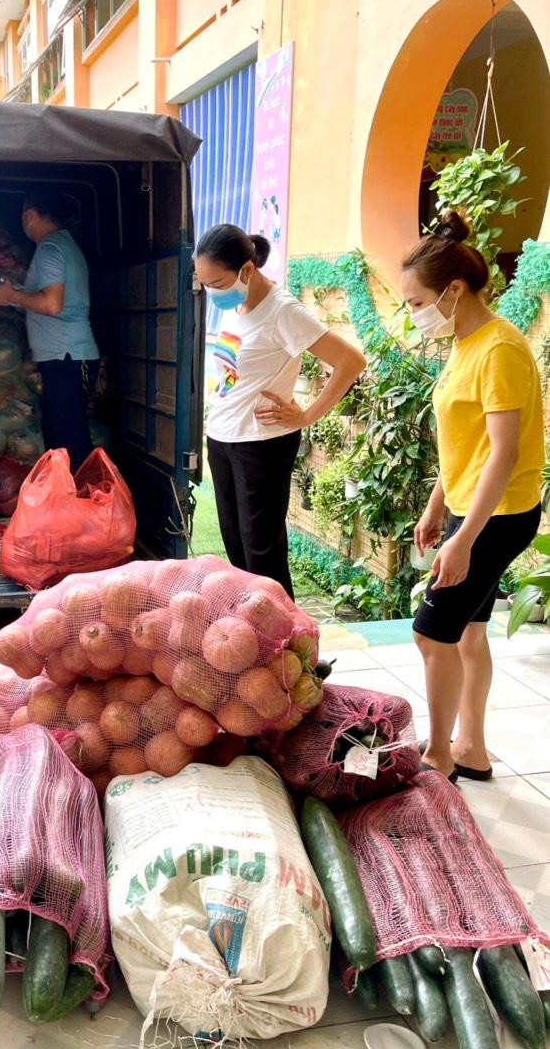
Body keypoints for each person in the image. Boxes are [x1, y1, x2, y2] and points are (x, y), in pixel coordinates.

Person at [406, 212, 543, 782]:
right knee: (468, 632)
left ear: (454, 291)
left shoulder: (500, 351)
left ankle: (439, 754)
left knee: (430, 632)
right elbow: (465, 442)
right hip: (472, 509)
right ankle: (472, 749)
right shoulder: (466, 343)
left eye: (416, 302)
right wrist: (439, 505)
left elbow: (503, 455)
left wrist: (465, 538)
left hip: (499, 517)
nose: (412, 314)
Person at [194, 224, 365, 598]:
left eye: (218, 283)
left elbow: (350, 361)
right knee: (238, 551)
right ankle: (248, 637)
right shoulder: (236, 303)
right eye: (205, 283)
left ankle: (289, 648)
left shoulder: (283, 311)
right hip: (223, 439)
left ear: (247, 270)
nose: (211, 292)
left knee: (262, 556)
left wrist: (307, 415)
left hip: (261, 445)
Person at [0, 190, 100, 472]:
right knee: (60, 438)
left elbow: (52, 304)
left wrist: (12, 296)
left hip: (68, 357)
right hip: (65, 358)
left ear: (29, 216)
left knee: (70, 440)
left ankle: (84, 507)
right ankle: (67, 504)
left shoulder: (51, 248)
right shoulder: (63, 246)